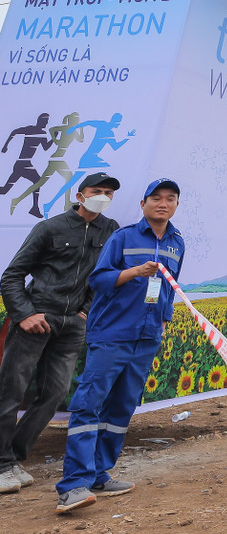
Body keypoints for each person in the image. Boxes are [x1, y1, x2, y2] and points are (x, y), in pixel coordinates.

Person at [54, 178, 184, 513]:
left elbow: (170, 287)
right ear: (143, 204)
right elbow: (98, 279)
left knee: (122, 407)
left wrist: (164, 320)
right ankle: (73, 485)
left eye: (170, 199)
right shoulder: (122, 237)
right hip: (112, 334)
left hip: (147, 338)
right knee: (88, 405)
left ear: (176, 205)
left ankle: (99, 475)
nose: (163, 203)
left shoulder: (176, 243)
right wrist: (135, 272)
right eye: (156, 198)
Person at [0, 172, 122, 495]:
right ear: (80, 196)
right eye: (97, 191)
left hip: (72, 326)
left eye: (108, 192)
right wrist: (25, 315)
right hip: (37, 318)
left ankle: (13, 459)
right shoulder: (50, 228)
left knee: (54, 394)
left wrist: (84, 312)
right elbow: (11, 276)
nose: (103, 196)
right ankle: (1, 464)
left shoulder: (110, 230)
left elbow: (104, 275)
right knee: (11, 391)